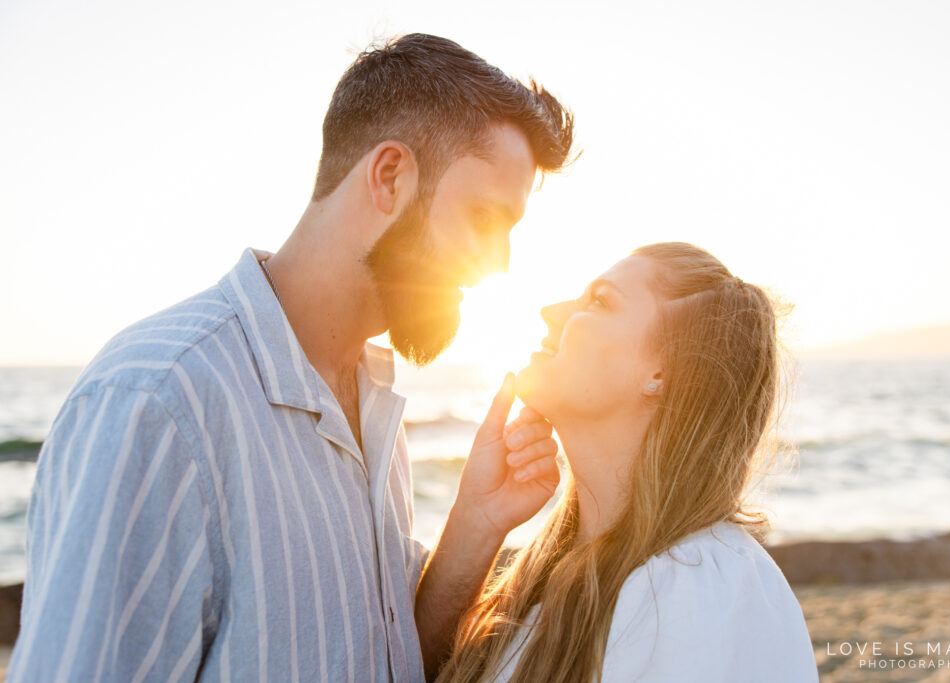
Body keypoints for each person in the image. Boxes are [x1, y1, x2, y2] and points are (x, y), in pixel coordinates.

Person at [8, 33, 573, 681]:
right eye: (483, 217)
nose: (498, 263)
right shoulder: (161, 398)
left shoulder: (371, 403)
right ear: (389, 176)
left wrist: (475, 521)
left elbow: (379, 659)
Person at [437, 243, 819, 682]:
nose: (550, 310)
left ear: (662, 372)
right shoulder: (553, 578)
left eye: (599, 301)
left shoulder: (693, 590)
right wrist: (478, 520)